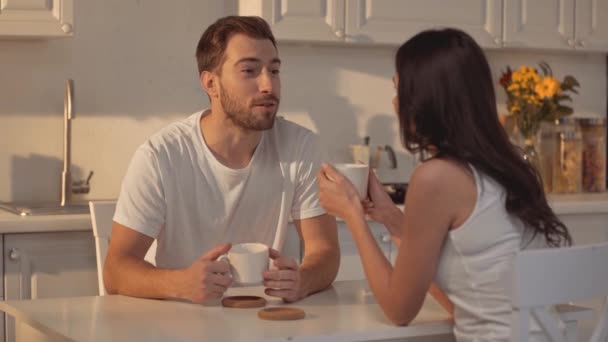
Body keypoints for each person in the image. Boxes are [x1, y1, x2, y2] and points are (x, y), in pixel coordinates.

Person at [317, 28, 571, 341]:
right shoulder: (513, 166)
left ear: (424, 100)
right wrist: (392, 220)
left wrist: (352, 213)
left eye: (400, 90)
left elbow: (399, 311)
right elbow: (465, 301)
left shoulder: (436, 177)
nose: (395, 104)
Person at [104, 16, 340, 304]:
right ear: (211, 84)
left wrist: (302, 280)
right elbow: (116, 271)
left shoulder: (300, 147)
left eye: (274, 70)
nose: (268, 85)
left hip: (262, 321)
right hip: (177, 321)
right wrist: (182, 283)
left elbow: (325, 253)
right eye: (250, 71)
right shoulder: (160, 156)